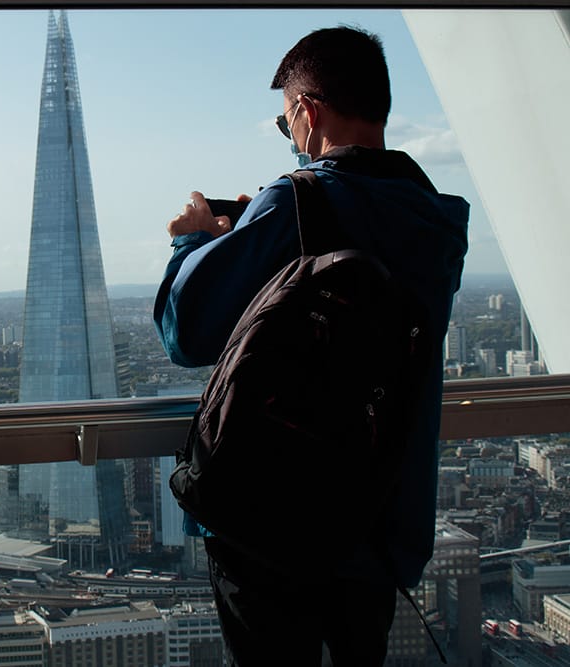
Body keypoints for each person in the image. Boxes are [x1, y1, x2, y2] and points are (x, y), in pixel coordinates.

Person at [154, 27, 469, 665]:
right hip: (381, 521)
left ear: (308, 112)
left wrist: (197, 241)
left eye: (285, 121)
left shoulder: (296, 202)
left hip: (271, 519)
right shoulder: (435, 220)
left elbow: (186, 330)